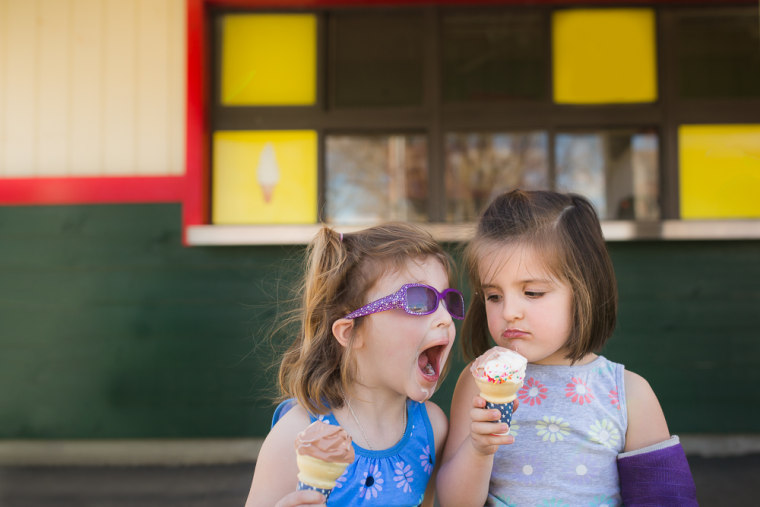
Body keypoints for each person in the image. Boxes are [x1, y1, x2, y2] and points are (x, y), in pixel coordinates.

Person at [437, 190, 697, 506]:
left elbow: (665, 498)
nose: (508, 312)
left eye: (532, 292)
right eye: (494, 296)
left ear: (584, 290)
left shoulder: (629, 394)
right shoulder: (477, 383)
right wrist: (478, 449)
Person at [245, 223, 463, 507]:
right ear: (351, 332)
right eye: (418, 301)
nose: (445, 317)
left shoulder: (432, 429)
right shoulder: (297, 438)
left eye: (447, 300)